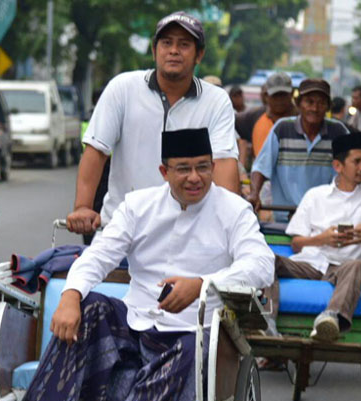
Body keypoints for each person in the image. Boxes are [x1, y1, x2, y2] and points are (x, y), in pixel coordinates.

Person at [4, 128, 274, 401]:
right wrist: (71, 296)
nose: (194, 177)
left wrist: (202, 285)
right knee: (90, 306)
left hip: (193, 330)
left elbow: (261, 264)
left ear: (213, 167)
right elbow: (99, 256)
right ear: (164, 172)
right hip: (135, 323)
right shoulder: (137, 206)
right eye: (183, 168)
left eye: (202, 167)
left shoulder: (234, 210)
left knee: (196, 346)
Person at [68, 11, 240, 236]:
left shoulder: (216, 101)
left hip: (190, 232)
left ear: (199, 55)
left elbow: (224, 163)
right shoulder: (123, 88)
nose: (174, 51)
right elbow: (97, 150)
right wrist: (82, 207)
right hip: (123, 229)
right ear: (154, 50)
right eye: (167, 43)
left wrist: (232, 224)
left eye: (184, 44)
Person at [268, 132, 361, 342]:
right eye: (357, 161)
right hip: (310, 263)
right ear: (338, 166)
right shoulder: (315, 195)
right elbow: (297, 244)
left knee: (356, 266)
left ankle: (331, 318)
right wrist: (322, 239)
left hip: (345, 268)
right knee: (265, 260)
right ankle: (266, 320)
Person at [248, 79, 349, 213]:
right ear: (299, 104)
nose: (315, 108)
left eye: (321, 103)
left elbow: (356, 165)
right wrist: (254, 194)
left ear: (328, 107)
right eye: (309, 102)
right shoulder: (282, 129)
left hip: (325, 215)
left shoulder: (338, 131)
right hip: (287, 216)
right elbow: (260, 167)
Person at [251, 72, 296, 158]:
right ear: (266, 96)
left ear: (292, 94)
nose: (279, 100)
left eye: (283, 95)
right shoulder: (262, 125)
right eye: (275, 95)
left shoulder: (304, 121)